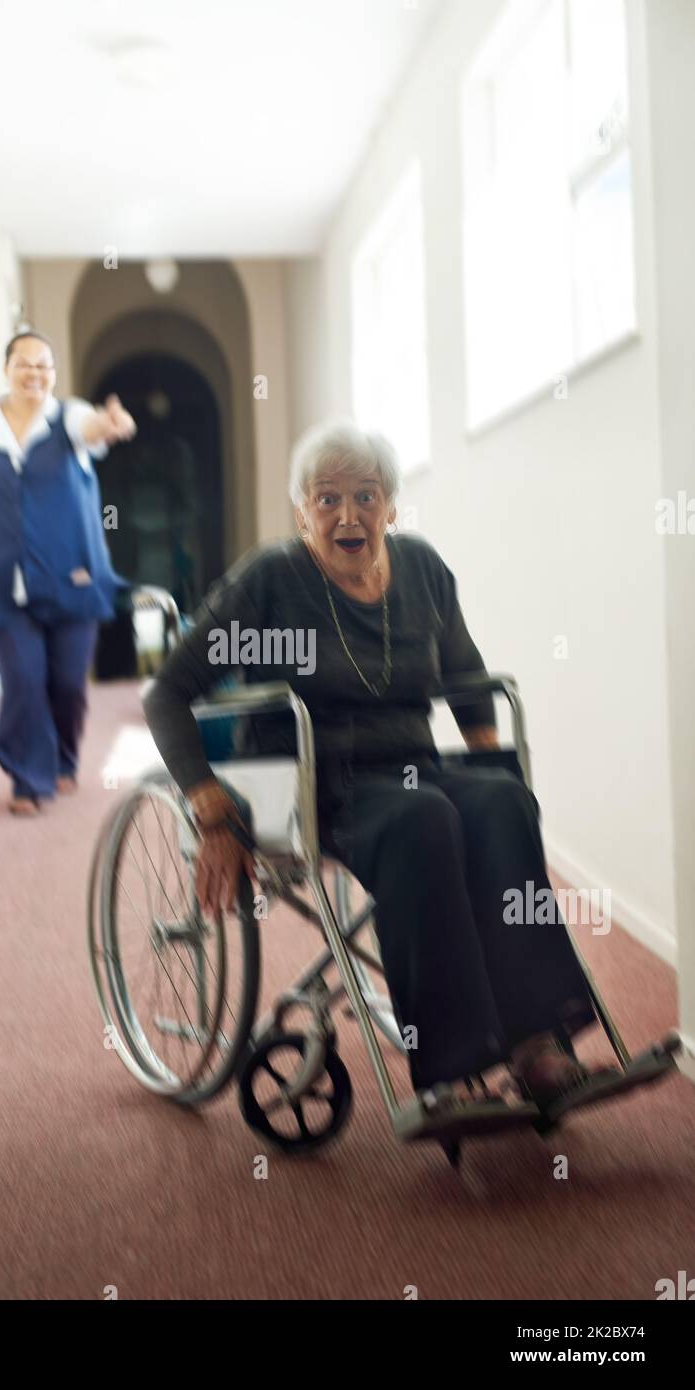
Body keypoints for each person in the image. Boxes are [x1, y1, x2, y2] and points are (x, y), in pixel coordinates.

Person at [141, 419, 628, 1141]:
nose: (348, 515)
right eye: (327, 498)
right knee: (422, 819)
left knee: (498, 801)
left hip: (415, 770)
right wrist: (211, 809)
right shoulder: (272, 579)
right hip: (318, 784)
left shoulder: (423, 570)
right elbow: (168, 691)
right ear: (302, 511)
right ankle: (452, 1070)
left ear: (391, 506)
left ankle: (535, 1044)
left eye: (366, 496)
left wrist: (491, 760)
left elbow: (466, 679)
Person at [0, 331, 136, 815]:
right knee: (23, 680)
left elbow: (92, 429)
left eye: (44, 366)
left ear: (54, 375)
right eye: (25, 364)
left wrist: (110, 425)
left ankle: (64, 759)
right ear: (6, 369)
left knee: (66, 684)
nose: (35, 374)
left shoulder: (67, 417)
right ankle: (26, 779)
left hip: (73, 580)